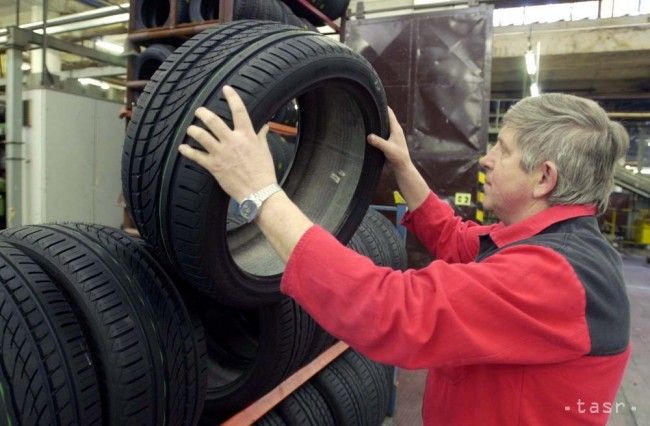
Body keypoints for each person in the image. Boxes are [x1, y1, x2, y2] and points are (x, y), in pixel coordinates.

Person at [179, 87, 631, 425]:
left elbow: (390, 310)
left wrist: (259, 192)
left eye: (504, 150)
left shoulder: (557, 276)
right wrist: (404, 167)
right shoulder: (550, 242)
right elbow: (461, 242)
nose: (487, 159)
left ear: (543, 179)